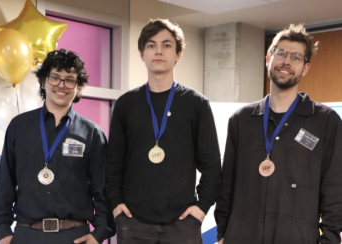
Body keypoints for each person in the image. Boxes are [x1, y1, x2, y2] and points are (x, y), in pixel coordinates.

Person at [215, 24, 342, 244]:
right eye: (280, 53)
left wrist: (329, 240)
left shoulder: (325, 121)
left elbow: (334, 189)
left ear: (305, 68)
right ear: (268, 58)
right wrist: (222, 234)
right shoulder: (241, 120)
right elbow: (226, 186)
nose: (286, 62)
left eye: (296, 57)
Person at [106, 18, 222, 244]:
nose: (158, 51)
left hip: (183, 224)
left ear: (178, 53)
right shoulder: (126, 104)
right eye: (151, 45)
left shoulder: (196, 104)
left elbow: (212, 164)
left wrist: (201, 208)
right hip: (133, 222)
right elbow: (113, 163)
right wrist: (115, 205)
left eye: (166, 45)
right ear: (142, 53)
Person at [0, 49, 112, 244]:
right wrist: (3, 232)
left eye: (70, 80)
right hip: (26, 236)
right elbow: (4, 183)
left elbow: (103, 191)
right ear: (43, 82)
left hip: (75, 236)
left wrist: (99, 234)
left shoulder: (92, 134)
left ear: (78, 87)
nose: (61, 85)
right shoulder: (19, 127)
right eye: (55, 77)